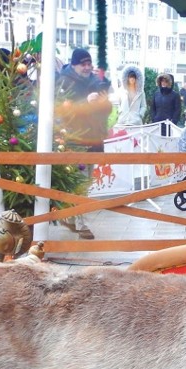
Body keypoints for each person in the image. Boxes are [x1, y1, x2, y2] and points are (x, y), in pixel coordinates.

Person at [55, 47, 113, 240]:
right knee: (80, 183)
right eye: (83, 64)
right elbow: (64, 111)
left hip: (93, 139)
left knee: (86, 182)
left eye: (89, 63)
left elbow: (105, 111)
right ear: (74, 65)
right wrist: (86, 102)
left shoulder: (95, 82)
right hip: (74, 140)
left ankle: (70, 218)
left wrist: (104, 103)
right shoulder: (65, 82)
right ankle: (81, 224)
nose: (87, 67)